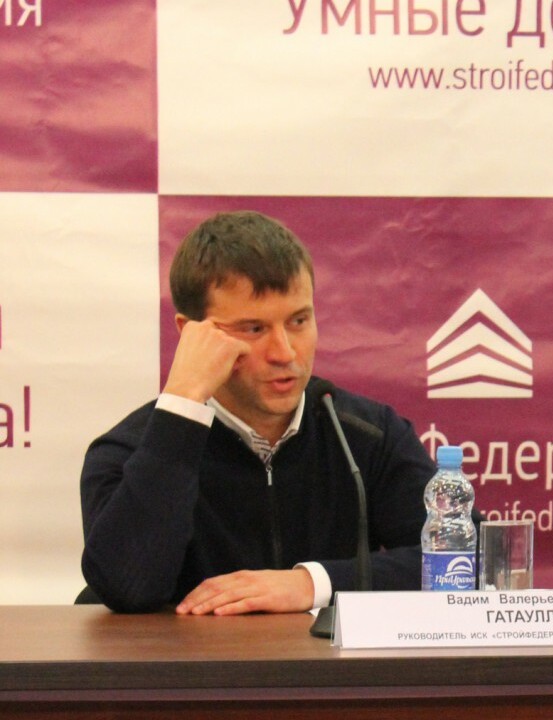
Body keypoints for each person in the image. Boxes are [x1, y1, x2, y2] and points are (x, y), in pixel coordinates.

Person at [80, 211, 433, 615]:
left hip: (323, 658)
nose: (285, 352)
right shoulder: (129, 450)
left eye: (298, 321)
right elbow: (125, 588)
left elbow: (463, 562)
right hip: (190, 658)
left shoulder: (367, 433)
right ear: (191, 334)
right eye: (253, 329)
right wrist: (182, 404)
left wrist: (312, 583)